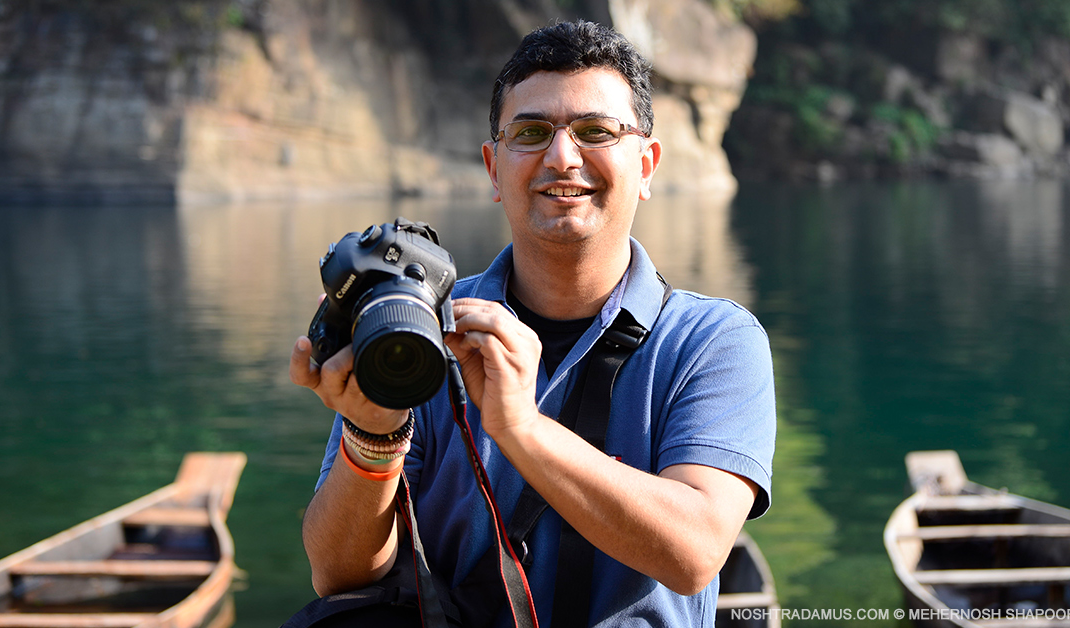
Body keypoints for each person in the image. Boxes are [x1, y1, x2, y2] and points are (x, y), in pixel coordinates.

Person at [290, 20, 776, 627]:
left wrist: (520, 426)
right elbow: (338, 576)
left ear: (647, 164)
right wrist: (373, 437)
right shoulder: (417, 329)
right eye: (532, 132)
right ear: (494, 169)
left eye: (597, 131)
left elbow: (696, 553)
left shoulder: (712, 341)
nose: (562, 156)